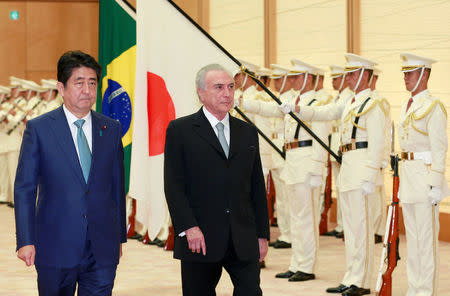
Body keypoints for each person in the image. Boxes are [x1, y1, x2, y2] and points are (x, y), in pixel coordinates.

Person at [14, 50, 126, 296]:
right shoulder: (40, 129)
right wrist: (25, 239)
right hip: (55, 244)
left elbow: (116, 186)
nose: (87, 89)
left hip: (102, 246)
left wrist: (119, 237)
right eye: (79, 82)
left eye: (92, 82)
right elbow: (25, 188)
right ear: (61, 88)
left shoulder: (111, 128)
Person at [164, 63, 269, 296]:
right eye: (219, 87)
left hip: (242, 236)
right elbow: (174, 185)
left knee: (251, 291)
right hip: (200, 237)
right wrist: (189, 227)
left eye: (231, 87)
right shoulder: (181, 130)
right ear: (201, 93)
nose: (227, 93)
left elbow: (256, 187)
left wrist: (262, 234)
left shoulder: (247, 131)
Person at [287, 54, 385, 295]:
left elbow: (378, 142)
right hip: (350, 169)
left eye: (352, 73)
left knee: (361, 229)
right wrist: (297, 109)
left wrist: (372, 174)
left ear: (364, 75)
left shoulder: (375, 103)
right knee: (351, 231)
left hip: (362, 171)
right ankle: (351, 277)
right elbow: (326, 112)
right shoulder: (350, 102)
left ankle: (361, 281)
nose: (348, 77)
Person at [398, 53, 448, 296]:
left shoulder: (433, 106)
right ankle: (414, 288)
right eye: (405, 73)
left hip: (424, 179)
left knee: (426, 242)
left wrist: (437, 183)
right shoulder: (407, 105)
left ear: (424, 75)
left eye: (411, 73)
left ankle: (425, 291)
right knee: (414, 241)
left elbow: (440, 148)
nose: (406, 77)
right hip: (408, 179)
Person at [321, 65, 353, 239]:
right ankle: (341, 223)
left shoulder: (348, 97)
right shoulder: (337, 98)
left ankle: (345, 225)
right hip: (334, 145)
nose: (334, 81)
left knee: (345, 188)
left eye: (337, 78)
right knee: (339, 187)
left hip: (343, 146)